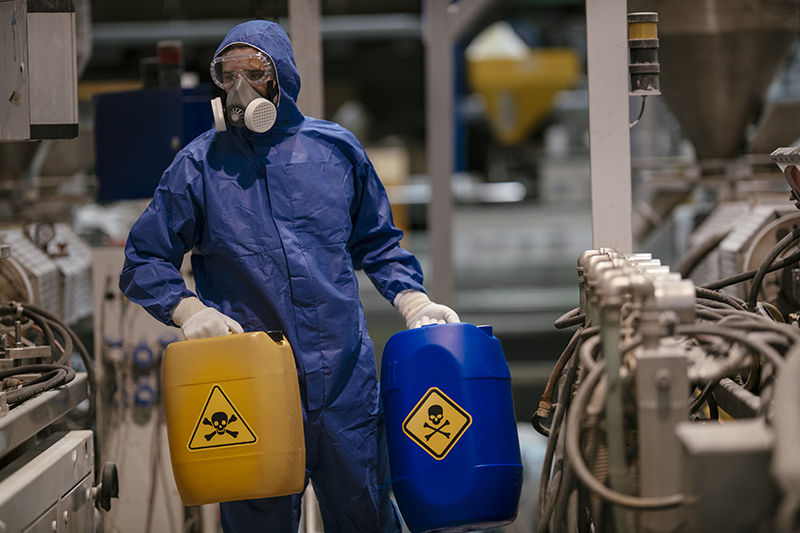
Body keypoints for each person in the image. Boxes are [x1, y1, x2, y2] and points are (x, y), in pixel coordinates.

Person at [119, 19, 459, 533]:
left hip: (344, 385)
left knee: (365, 515)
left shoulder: (336, 152)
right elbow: (143, 259)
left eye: (252, 72)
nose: (238, 88)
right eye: (225, 74)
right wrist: (188, 309)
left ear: (281, 79)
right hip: (252, 388)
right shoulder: (198, 168)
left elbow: (378, 242)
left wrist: (413, 299)